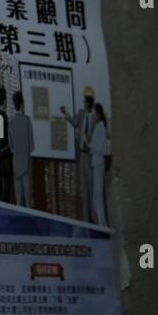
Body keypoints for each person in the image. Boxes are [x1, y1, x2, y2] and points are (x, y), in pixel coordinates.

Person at [61, 87, 95, 222]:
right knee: (84, 190)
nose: (83, 102)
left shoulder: (94, 117)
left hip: (91, 156)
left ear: (89, 102)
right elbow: (74, 123)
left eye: (85, 101)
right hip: (82, 155)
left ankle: (95, 219)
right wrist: (66, 114)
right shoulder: (81, 114)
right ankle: (87, 221)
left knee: (92, 189)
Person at [10, 91, 36, 209]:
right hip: (26, 166)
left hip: (16, 165)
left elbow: (11, 146)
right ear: (22, 104)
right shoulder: (27, 121)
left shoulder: (10, 122)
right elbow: (32, 147)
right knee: (29, 201)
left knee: (19, 203)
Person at [89, 103, 111, 226]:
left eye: (94, 113)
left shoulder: (101, 128)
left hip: (98, 162)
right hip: (96, 161)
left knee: (98, 194)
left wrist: (91, 145)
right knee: (96, 194)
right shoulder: (99, 127)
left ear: (98, 114)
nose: (93, 115)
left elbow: (100, 148)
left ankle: (102, 223)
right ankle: (101, 222)